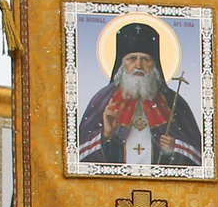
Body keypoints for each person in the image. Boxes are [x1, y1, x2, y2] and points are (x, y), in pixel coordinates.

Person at [75, 20, 204, 167]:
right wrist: (106, 135)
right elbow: (77, 155)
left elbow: (200, 156)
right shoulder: (104, 100)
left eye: (145, 59)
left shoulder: (172, 101)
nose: (138, 65)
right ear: (122, 64)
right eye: (131, 59)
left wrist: (174, 148)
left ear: (154, 65)